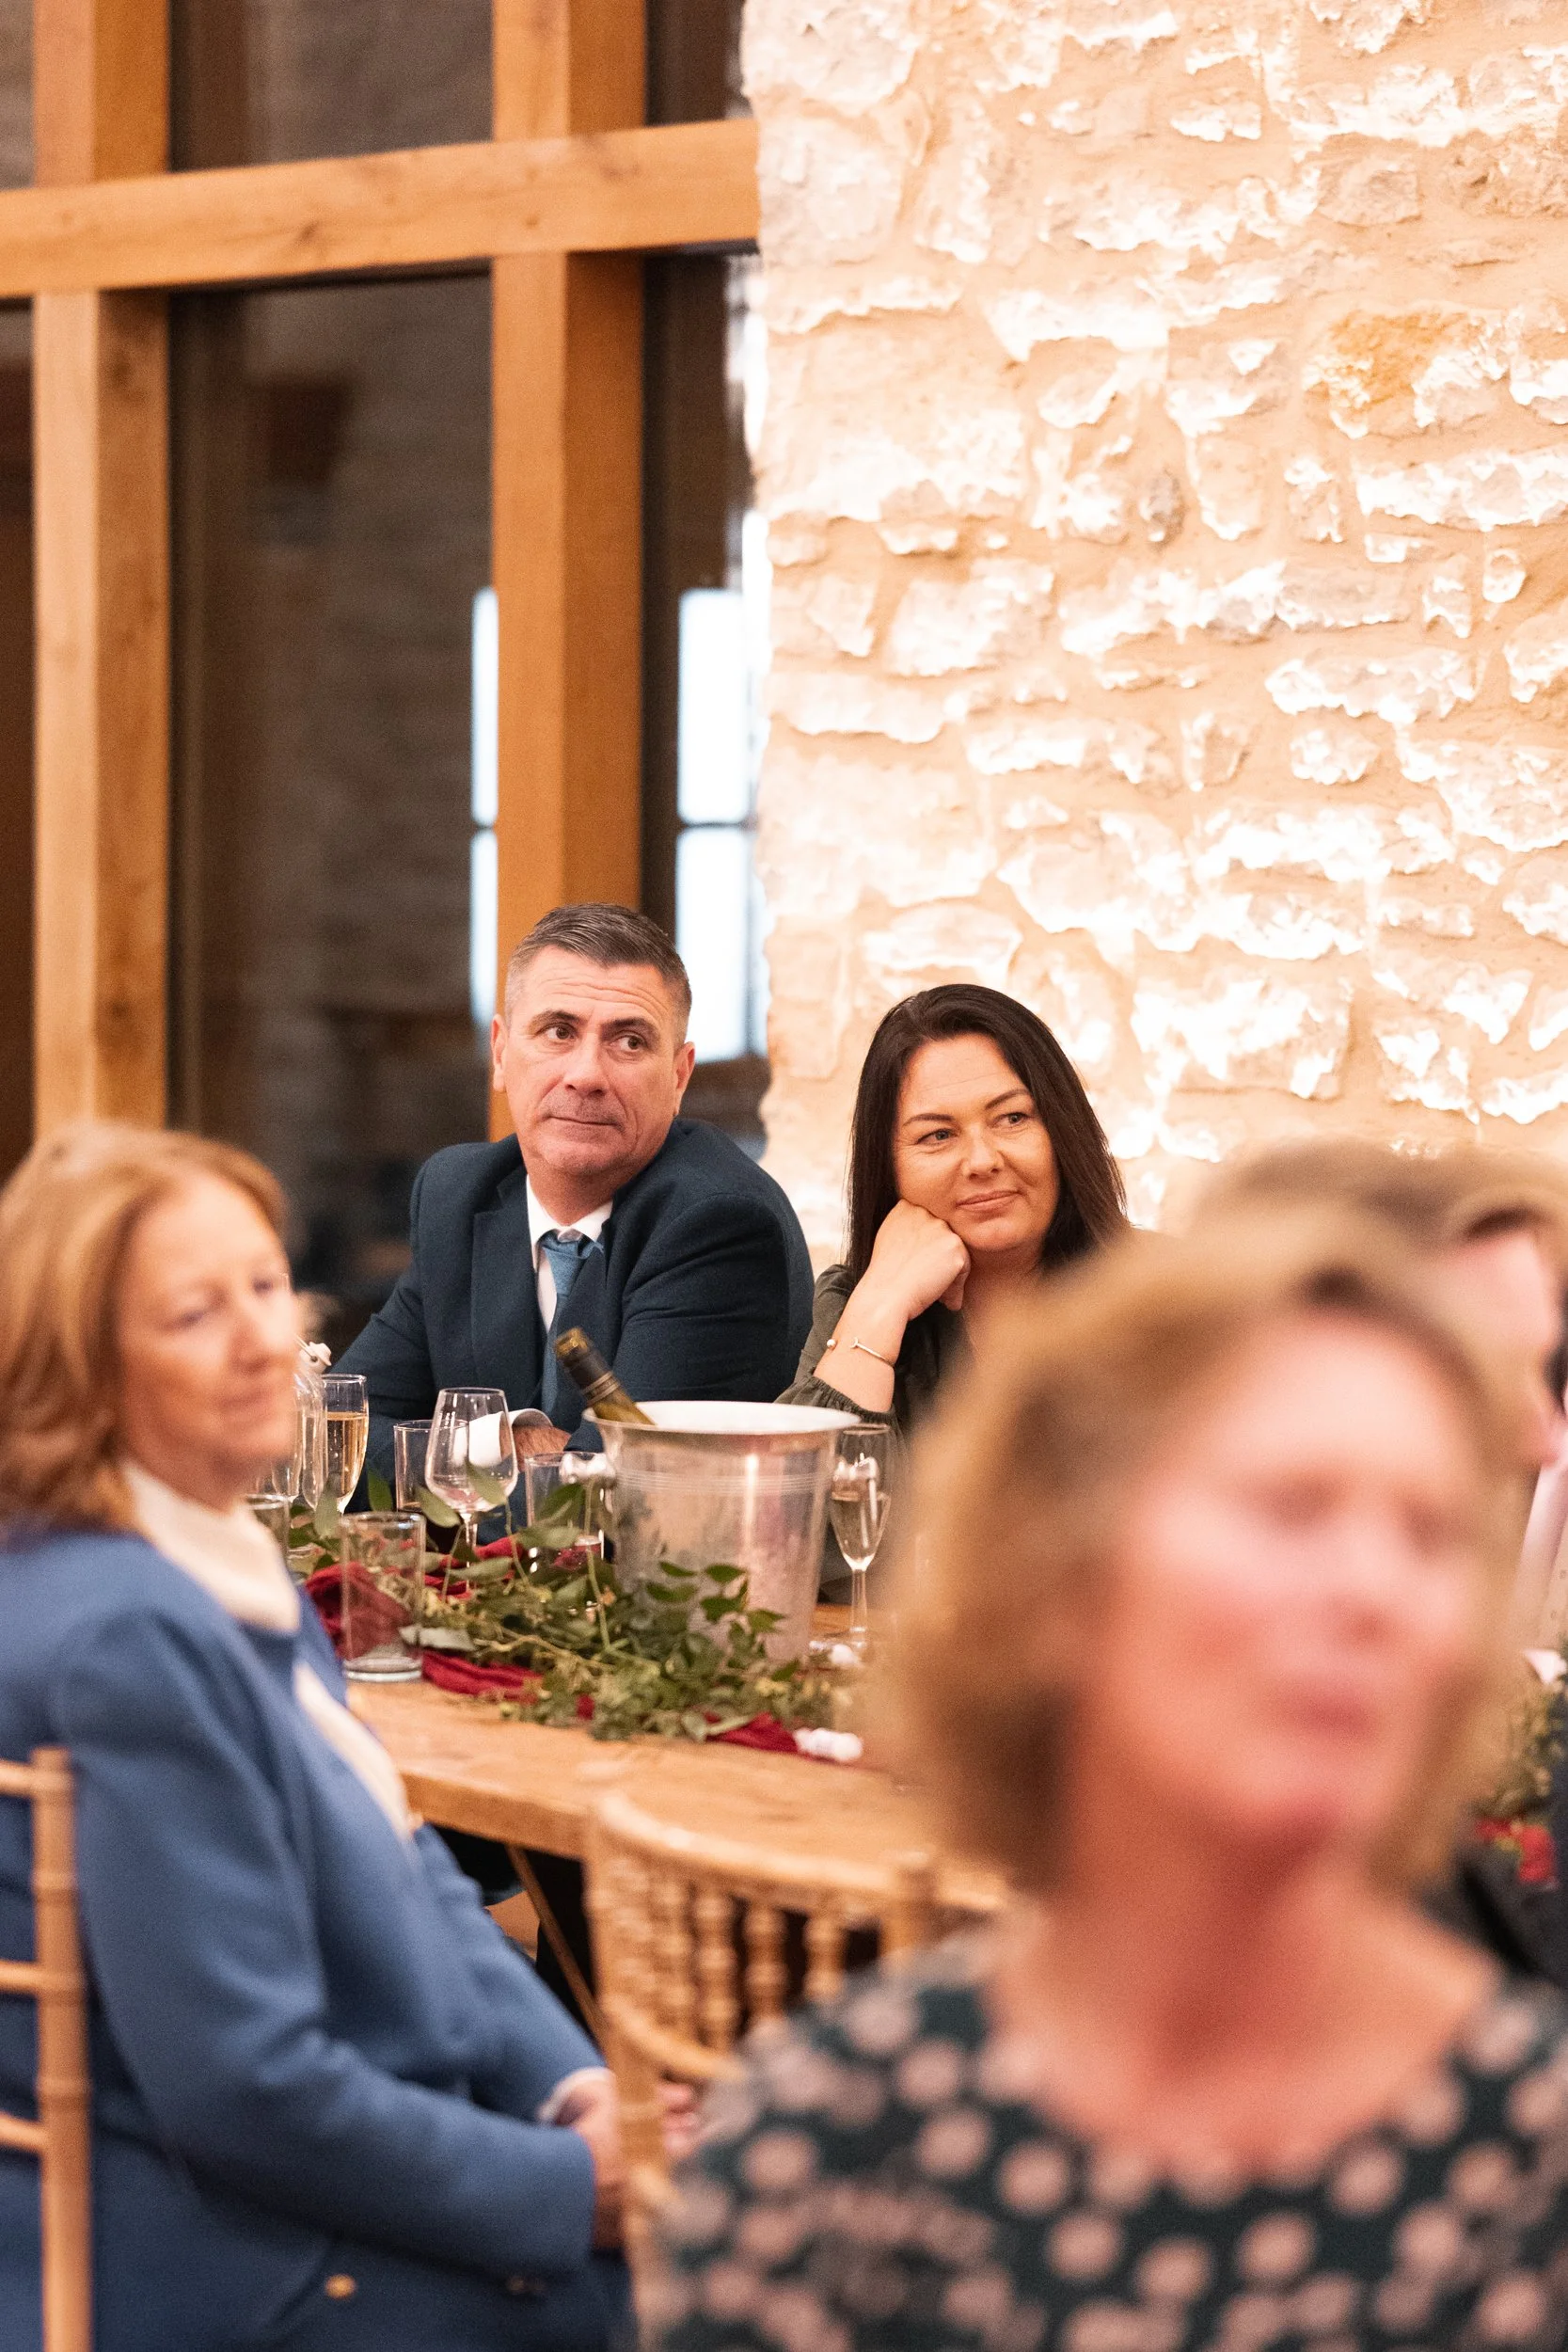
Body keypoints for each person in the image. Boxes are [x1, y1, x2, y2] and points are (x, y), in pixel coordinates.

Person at [652, 1216, 1568, 2352]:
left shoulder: (1536, 2163)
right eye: (1289, 1506)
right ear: (1058, 1581)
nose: (1374, 1588)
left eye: (1431, 1533)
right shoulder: (826, 2154)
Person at [0, 1123, 629, 2352]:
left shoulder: (203, 1558)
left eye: (263, 1285)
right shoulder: (125, 1631)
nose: (266, 1342)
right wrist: (562, 2188)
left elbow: (415, 1877)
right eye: (193, 1314)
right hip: (237, 2264)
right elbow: (245, 2091)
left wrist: (576, 2090)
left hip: (308, 2183)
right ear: (77, 1364)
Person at [341, 903, 814, 1485]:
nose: (586, 1074)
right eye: (559, 1032)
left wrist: (442, 1449)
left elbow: (613, 1504)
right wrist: (516, 1443)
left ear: (679, 1077)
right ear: (500, 1053)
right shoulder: (457, 1195)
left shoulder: (719, 1223)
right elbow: (335, 1441)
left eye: (630, 1042)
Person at [782, 983, 1127, 1435]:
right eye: (938, 1135)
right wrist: (882, 1304)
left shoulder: (1166, 1291)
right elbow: (804, 1498)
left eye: (1013, 1118)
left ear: (1063, 1130)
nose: (983, 1161)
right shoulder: (855, 1299)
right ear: (889, 1167)